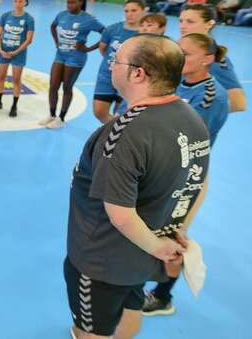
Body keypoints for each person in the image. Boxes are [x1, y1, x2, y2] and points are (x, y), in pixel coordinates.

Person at [65, 34, 210, 339]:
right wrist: (174, 230)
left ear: (138, 73)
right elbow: (200, 181)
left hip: (103, 260)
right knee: (130, 311)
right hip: (140, 258)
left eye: (116, 60)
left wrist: (159, 246)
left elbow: (120, 215)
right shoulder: (192, 118)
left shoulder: (125, 132)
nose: (110, 64)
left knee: (90, 330)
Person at [141, 33, 228, 317]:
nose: (180, 57)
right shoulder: (178, 82)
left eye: (187, 53)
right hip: (163, 169)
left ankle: (163, 296)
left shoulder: (211, 97)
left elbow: (190, 142)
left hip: (186, 176)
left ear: (207, 59)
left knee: (173, 236)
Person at [41, 0, 104, 129]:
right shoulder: (62, 15)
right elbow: (53, 26)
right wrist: (56, 42)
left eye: (73, 3)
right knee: (53, 86)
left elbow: (106, 33)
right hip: (60, 54)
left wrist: (88, 48)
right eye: (68, 2)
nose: (69, 5)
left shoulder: (88, 19)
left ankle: (61, 118)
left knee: (67, 87)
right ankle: (52, 115)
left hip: (75, 58)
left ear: (80, 3)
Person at [179, 4, 247, 112]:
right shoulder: (179, 48)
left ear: (209, 24)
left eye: (190, 22)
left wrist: (196, 115)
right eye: (181, 21)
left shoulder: (214, 59)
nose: (182, 26)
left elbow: (238, 103)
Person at [92, 0, 145, 123]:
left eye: (134, 10)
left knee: (120, 116)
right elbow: (103, 50)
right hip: (107, 76)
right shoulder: (112, 29)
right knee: (99, 111)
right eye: (126, 11)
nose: (129, 14)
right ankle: (113, 130)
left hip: (129, 80)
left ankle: (117, 136)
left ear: (143, 11)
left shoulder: (144, 34)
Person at [0, 0, 35, 117]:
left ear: (25, 2)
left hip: (18, 54)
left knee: (16, 79)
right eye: (15, 1)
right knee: (0, 77)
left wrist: (15, 52)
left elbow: (29, 39)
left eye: (20, 1)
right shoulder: (5, 16)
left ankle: (14, 106)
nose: (18, 3)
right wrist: (0, 49)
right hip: (3, 52)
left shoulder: (28, 19)